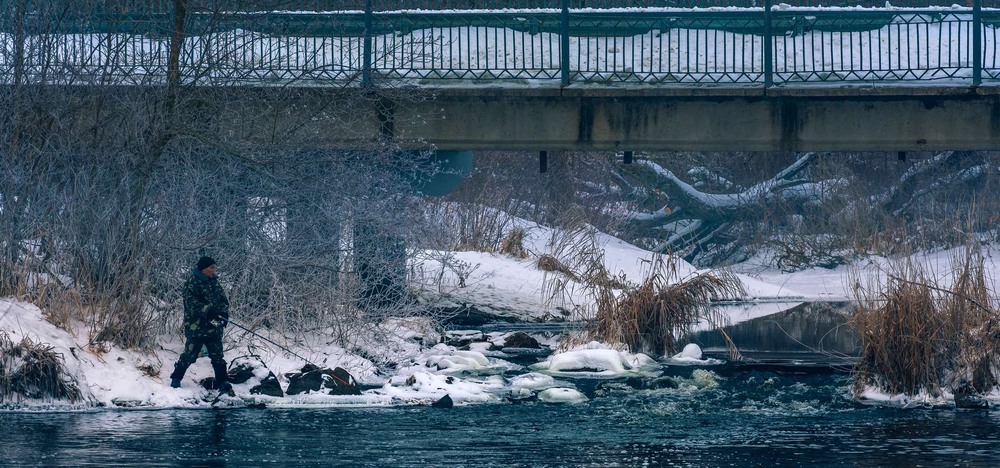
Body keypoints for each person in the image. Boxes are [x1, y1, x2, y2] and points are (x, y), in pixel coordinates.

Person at [169, 256, 231, 391]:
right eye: (211, 268)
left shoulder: (214, 281)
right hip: (196, 326)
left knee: (218, 356)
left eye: (214, 267)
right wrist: (209, 311)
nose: (214, 270)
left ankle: (223, 382)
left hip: (214, 327)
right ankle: (176, 378)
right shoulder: (192, 282)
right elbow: (191, 304)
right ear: (203, 268)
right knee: (189, 355)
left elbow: (223, 300)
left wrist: (223, 314)